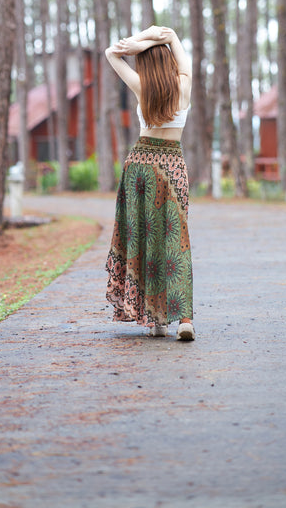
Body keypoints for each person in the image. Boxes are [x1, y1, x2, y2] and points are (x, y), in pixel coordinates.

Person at [104, 25, 195, 341]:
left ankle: (156, 321)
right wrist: (161, 36)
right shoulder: (183, 84)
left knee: (144, 238)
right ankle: (184, 318)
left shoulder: (141, 84)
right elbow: (172, 38)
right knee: (175, 238)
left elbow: (110, 53)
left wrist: (132, 45)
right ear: (169, 61)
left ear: (142, 63)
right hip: (172, 164)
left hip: (140, 165)